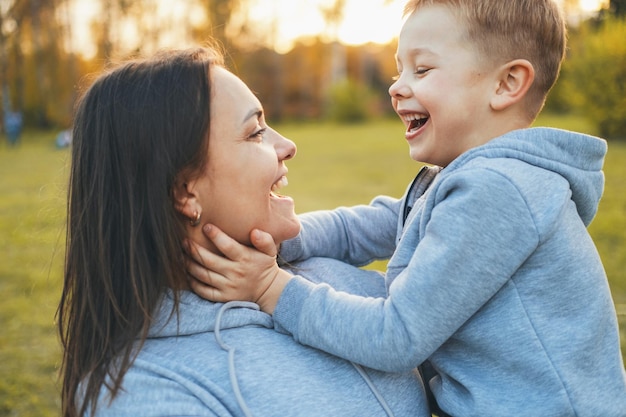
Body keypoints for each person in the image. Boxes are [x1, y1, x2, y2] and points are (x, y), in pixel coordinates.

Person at [186, 1, 626, 416]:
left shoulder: (499, 192)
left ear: (506, 83)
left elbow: (396, 335)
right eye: (400, 70)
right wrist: (276, 236)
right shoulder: (470, 180)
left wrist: (270, 288)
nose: (397, 87)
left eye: (422, 68)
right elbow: (364, 227)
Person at [56, 46, 432, 417]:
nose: (287, 145)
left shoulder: (319, 276)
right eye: (255, 133)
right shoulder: (148, 393)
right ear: (185, 192)